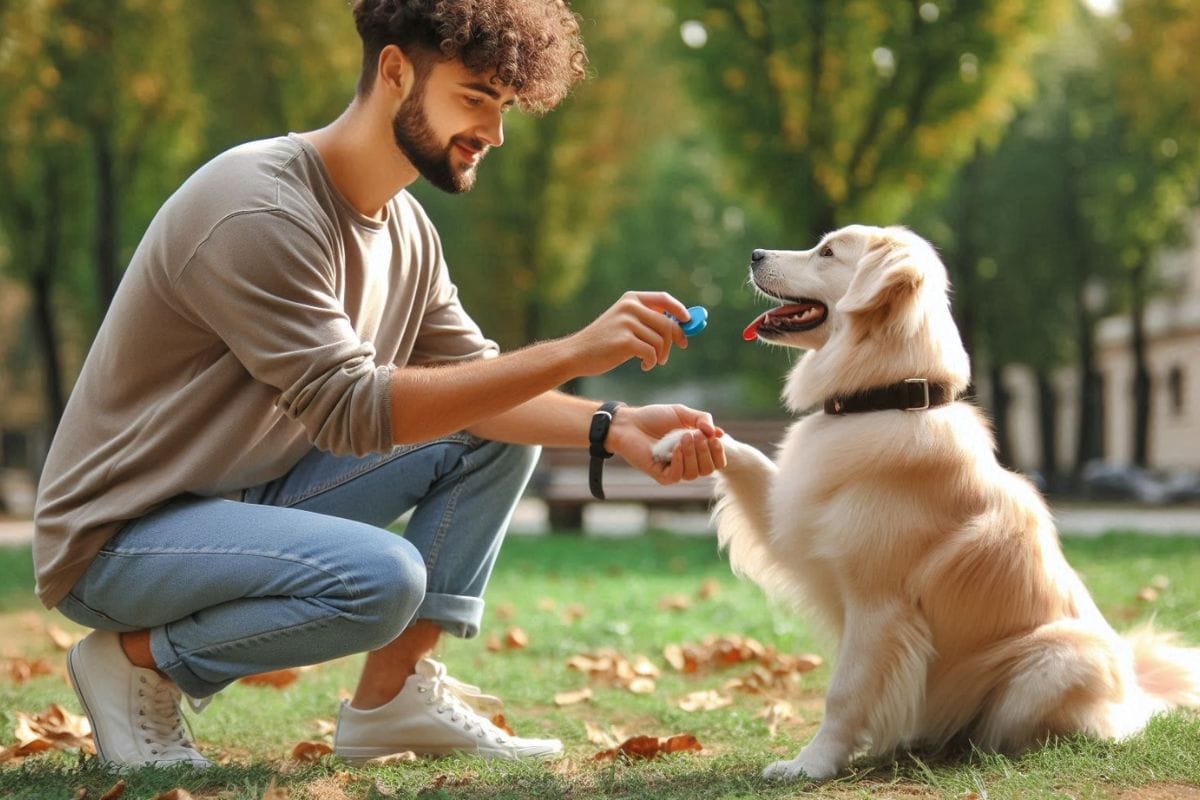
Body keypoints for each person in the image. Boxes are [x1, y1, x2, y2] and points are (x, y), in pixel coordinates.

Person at [32, 0, 726, 770]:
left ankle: (391, 702)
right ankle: (136, 659)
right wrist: (574, 351)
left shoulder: (407, 230)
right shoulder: (258, 206)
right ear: (395, 72)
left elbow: (480, 389)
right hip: (120, 540)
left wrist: (613, 423)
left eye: (504, 108)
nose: (494, 134)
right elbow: (353, 411)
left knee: (488, 431)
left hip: (242, 504)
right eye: (473, 99)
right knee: (382, 578)